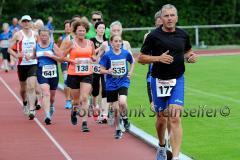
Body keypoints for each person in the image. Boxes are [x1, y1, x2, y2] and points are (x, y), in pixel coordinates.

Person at [138, 4, 197, 160]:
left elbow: (187, 51)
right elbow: (141, 58)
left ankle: (176, 157)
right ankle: (162, 145)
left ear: (176, 18)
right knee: (161, 118)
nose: (169, 18)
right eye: (166, 16)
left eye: (172, 15)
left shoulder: (183, 35)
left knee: (175, 117)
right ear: (161, 18)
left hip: (177, 79)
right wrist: (158, 58)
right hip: (158, 81)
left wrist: (191, 56)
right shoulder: (153, 36)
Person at [61, 19, 95, 132]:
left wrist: (94, 58)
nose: (81, 32)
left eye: (83, 30)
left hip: (87, 73)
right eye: (79, 30)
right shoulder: (71, 43)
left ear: (86, 31)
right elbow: (62, 57)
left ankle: (84, 123)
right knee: (76, 101)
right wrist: (72, 61)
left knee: (84, 98)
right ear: (75, 31)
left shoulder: (90, 43)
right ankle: (74, 111)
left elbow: (93, 56)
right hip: (73, 73)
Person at [99, 35, 134, 139]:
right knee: (115, 108)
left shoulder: (125, 53)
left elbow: (132, 62)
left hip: (123, 81)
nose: (118, 43)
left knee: (122, 101)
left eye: (120, 41)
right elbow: (100, 69)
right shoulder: (107, 55)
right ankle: (118, 128)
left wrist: (131, 72)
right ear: (111, 43)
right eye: (116, 41)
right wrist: (107, 71)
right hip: (111, 84)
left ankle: (125, 118)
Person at [8, 15, 39, 119]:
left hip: (33, 63)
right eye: (24, 21)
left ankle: (32, 109)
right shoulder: (17, 35)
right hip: (22, 65)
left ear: (30, 23)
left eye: (28, 21)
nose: (26, 23)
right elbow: (9, 49)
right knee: (23, 89)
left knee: (31, 86)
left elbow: (40, 47)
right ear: (21, 23)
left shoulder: (35, 35)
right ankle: (25, 102)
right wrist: (16, 55)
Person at [32, 28, 62, 124]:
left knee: (52, 97)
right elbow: (34, 56)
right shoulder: (36, 46)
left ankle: (51, 105)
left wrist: (51, 56)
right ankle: (47, 115)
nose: (44, 37)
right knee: (45, 92)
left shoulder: (53, 45)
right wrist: (28, 57)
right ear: (39, 36)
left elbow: (61, 58)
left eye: (45, 35)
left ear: (49, 36)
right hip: (41, 70)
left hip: (53, 71)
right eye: (42, 36)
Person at [90, 21, 108, 123]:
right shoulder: (92, 41)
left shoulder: (107, 40)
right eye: (100, 28)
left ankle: (103, 111)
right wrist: (100, 48)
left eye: (103, 28)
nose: (102, 30)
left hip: (105, 68)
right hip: (95, 66)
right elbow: (91, 54)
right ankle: (94, 105)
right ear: (96, 29)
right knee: (95, 89)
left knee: (105, 89)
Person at [57, 20, 72, 109]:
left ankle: (74, 98)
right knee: (66, 80)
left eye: (69, 26)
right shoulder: (62, 38)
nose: (67, 28)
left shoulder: (77, 37)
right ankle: (68, 100)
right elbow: (59, 50)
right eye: (66, 26)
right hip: (65, 62)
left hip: (73, 62)